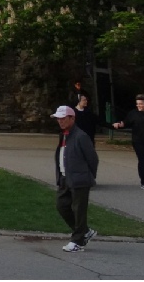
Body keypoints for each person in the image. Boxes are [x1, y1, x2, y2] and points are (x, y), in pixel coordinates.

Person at [51, 105, 98, 252]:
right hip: (65, 178)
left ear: (72, 118)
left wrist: (87, 176)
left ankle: (78, 241)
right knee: (62, 205)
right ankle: (84, 231)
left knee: (79, 210)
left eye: (63, 118)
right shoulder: (64, 135)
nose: (60, 121)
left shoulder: (81, 136)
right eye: (58, 119)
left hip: (79, 179)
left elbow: (92, 159)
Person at [112, 94, 144, 191]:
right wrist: (119, 124)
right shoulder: (133, 113)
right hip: (139, 142)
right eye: (137, 104)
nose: (138, 106)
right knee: (143, 161)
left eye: (140, 104)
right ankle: (143, 182)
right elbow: (125, 123)